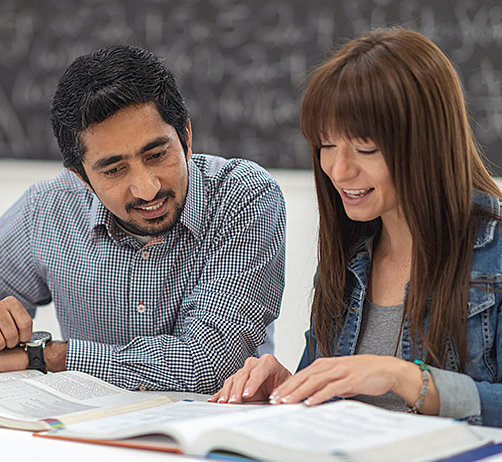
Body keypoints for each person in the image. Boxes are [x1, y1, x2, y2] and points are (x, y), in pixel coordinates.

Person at [210, 27, 502, 427]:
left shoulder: (494, 252)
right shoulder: (349, 254)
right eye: (326, 146)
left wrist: (405, 378)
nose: (338, 170)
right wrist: (288, 389)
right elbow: (340, 402)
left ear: (427, 144)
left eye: (365, 148)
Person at [0, 45, 286, 393]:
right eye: (114, 170)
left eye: (157, 154)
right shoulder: (47, 209)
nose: (147, 190)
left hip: (212, 435)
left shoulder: (242, 197)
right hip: (84, 434)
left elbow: (211, 364)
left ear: (186, 138)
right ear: (81, 176)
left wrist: (51, 357)